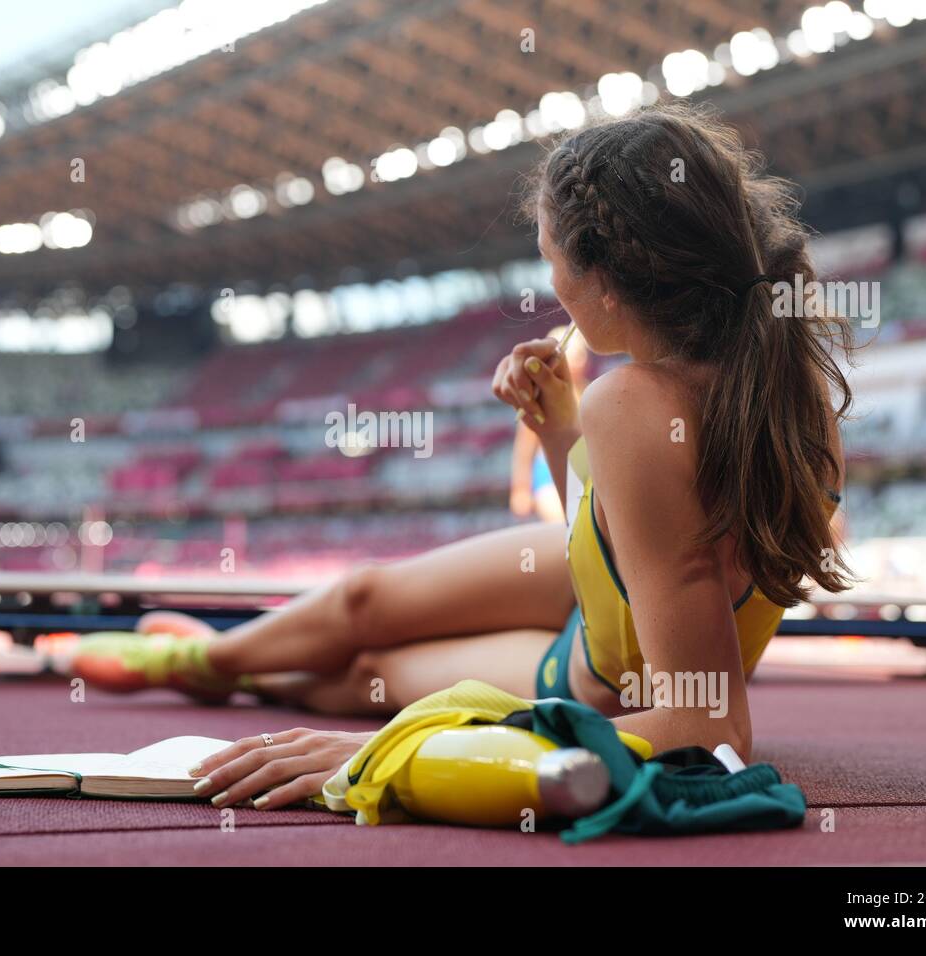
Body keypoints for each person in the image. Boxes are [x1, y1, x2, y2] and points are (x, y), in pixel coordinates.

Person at [73, 105, 853, 811]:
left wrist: (394, 746)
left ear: (608, 285)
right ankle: (207, 662)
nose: (550, 285)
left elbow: (709, 724)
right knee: (362, 601)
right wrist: (557, 430)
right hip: (611, 619)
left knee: (362, 674)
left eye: (552, 261)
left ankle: (216, 669)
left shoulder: (636, 404)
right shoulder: (788, 389)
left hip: (596, 680)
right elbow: (636, 534)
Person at [509, 324, 592, 522]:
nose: (578, 361)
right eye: (573, 356)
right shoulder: (541, 398)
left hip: (585, 471)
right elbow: (525, 447)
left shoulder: (589, 392)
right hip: (549, 475)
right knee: (565, 527)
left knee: (583, 528)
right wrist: (520, 488)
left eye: (581, 355)